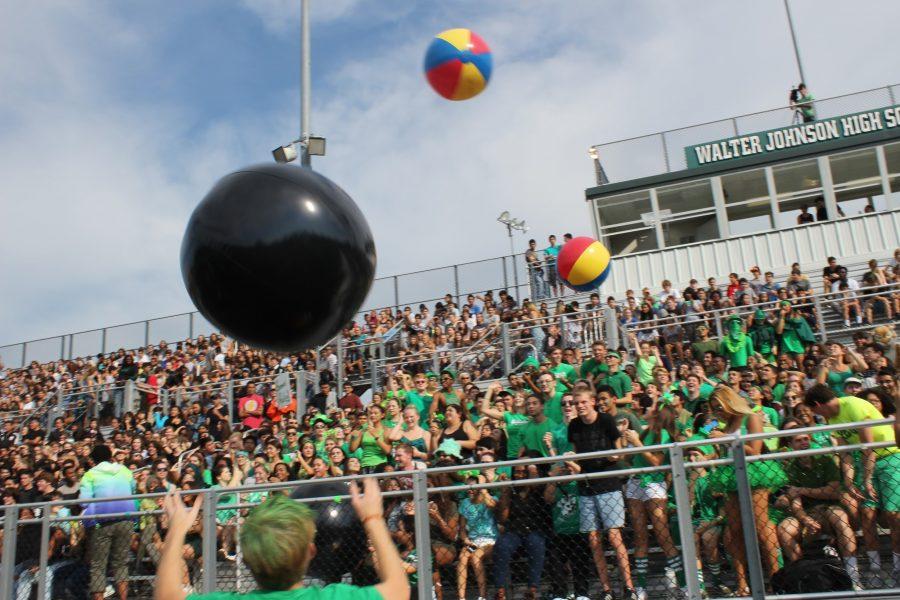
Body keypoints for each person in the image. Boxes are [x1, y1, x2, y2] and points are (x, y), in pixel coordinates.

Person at [156, 479, 410, 600]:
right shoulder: (333, 596)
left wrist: (177, 529)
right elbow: (399, 590)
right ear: (311, 552)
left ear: (249, 561)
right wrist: (374, 519)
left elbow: (167, 594)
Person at [803, 384, 900, 582]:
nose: (817, 415)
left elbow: (869, 445)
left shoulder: (853, 405)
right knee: (866, 513)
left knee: (892, 515)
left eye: (814, 411)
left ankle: (897, 566)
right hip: (863, 462)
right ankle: (875, 568)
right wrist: (849, 481)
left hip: (888, 458)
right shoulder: (832, 418)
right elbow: (845, 452)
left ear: (818, 405)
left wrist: (866, 478)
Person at [567, 388, 637, 600]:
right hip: (586, 485)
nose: (579, 406)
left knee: (615, 537)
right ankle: (607, 590)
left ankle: (629, 587)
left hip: (608, 483)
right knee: (593, 539)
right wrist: (569, 459)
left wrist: (614, 456)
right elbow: (576, 456)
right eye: (576, 403)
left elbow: (619, 452)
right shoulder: (573, 425)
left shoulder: (606, 420)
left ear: (593, 402)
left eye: (583, 402)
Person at [80, 444, 138, 600]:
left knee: (98, 566)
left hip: (102, 523)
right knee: (121, 563)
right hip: (126, 519)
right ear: (110, 457)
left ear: (93, 460)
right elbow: (133, 487)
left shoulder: (90, 474)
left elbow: (84, 502)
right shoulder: (125, 470)